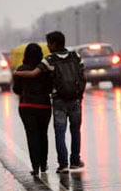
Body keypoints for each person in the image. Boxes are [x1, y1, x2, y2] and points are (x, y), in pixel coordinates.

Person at [14, 31, 86, 173]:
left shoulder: (49, 61)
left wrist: (16, 73)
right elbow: (83, 77)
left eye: (48, 43)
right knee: (74, 131)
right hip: (64, 102)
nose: (47, 46)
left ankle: (59, 165)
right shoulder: (75, 56)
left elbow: (31, 76)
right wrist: (80, 96)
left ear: (53, 44)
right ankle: (74, 160)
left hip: (51, 102)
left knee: (57, 133)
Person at [13, 43, 53, 176]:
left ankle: (35, 167)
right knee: (43, 135)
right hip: (44, 107)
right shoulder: (45, 70)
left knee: (32, 136)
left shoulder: (20, 69)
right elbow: (49, 88)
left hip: (27, 107)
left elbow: (16, 89)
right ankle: (43, 164)